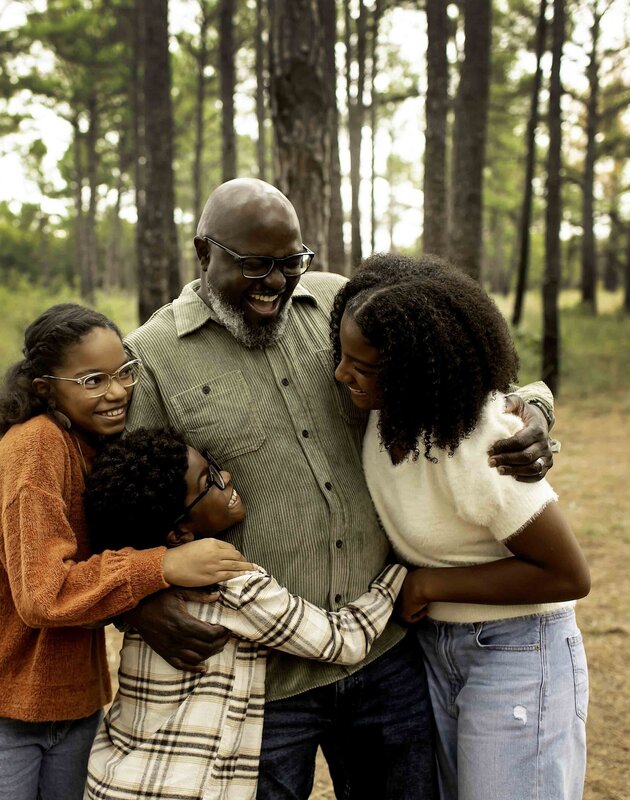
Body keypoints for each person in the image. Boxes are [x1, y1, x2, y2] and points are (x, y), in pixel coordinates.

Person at [121, 178, 556, 799]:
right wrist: (136, 601)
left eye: (291, 262)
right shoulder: (155, 357)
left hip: (386, 653)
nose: (275, 283)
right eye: (254, 265)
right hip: (261, 681)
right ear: (203, 251)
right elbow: (123, 507)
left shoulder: (338, 306)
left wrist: (536, 411)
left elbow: (464, 372)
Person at [0, 303, 254, 800]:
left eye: (124, 372)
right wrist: (162, 565)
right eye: (93, 380)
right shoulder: (34, 449)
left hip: (73, 705)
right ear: (45, 388)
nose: (117, 391)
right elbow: (43, 595)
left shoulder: (96, 445)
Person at [332, 253, 590, 800]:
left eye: (362, 365)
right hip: (436, 649)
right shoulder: (384, 413)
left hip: (518, 649)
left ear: (413, 369)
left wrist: (428, 584)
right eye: (342, 354)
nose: (341, 373)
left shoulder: (480, 446)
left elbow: (568, 575)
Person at [82, 428, 407, 800]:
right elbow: (343, 641)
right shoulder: (231, 584)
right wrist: (397, 576)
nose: (228, 477)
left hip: (116, 778)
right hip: (185, 789)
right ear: (178, 535)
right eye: (211, 481)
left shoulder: (145, 581)